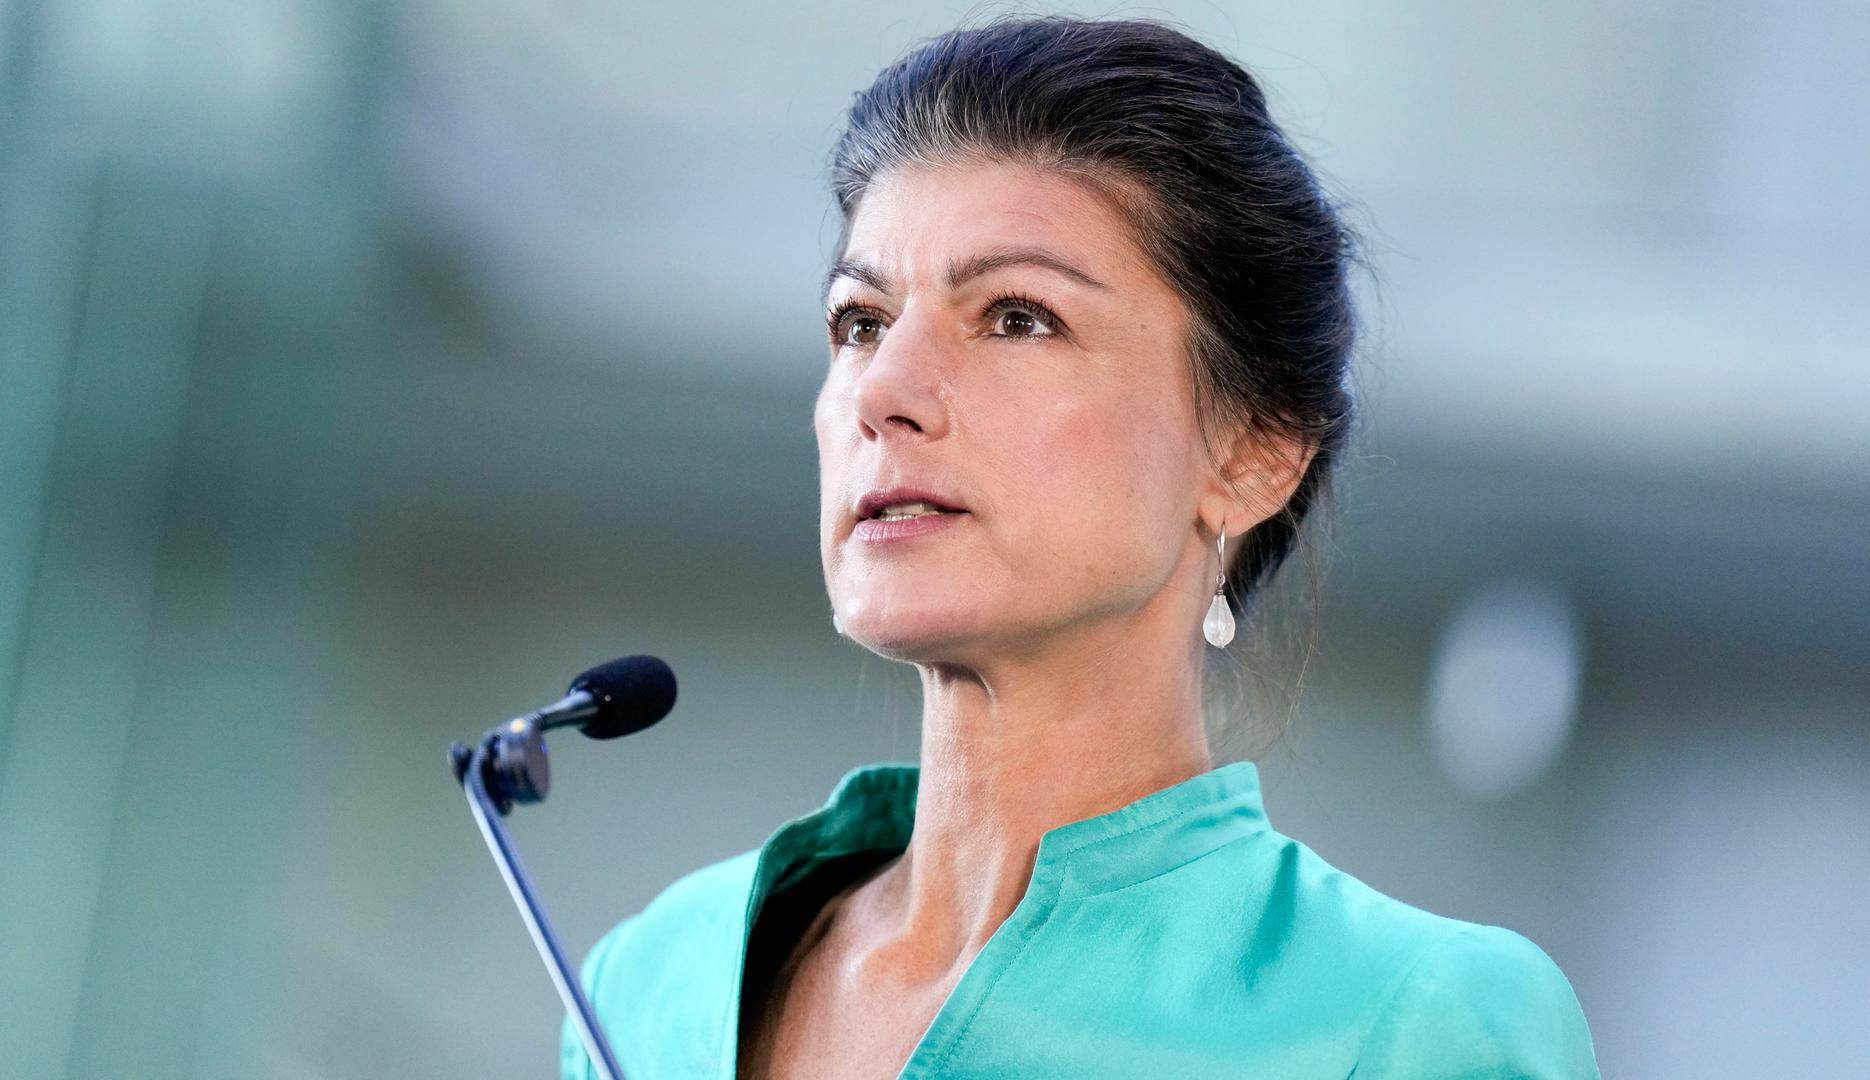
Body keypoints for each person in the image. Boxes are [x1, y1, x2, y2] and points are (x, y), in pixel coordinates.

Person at [562, 15, 1601, 1079]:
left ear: (1251, 453)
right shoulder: (650, 986)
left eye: (1016, 317)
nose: (882, 392)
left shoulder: (1414, 1019)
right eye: (860, 321)